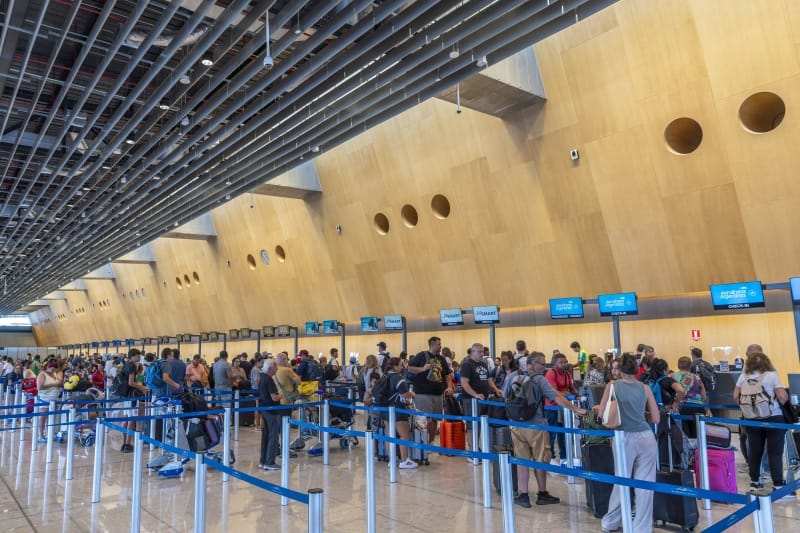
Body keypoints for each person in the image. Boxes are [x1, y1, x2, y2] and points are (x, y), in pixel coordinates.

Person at [505, 353, 586, 507]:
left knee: (521, 461)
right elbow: (556, 397)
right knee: (540, 460)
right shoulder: (539, 379)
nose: (544, 367)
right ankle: (542, 493)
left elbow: (504, 396)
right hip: (536, 426)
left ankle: (523, 495)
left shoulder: (514, 375)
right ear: (533, 363)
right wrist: (574, 408)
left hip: (516, 425)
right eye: (542, 364)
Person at [597, 353, 660, 532]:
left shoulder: (612, 386)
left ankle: (611, 521)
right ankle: (642, 528)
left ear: (621, 370)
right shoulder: (645, 388)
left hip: (624, 437)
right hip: (647, 437)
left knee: (622, 481)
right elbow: (655, 418)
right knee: (646, 485)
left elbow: (601, 416)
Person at [733, 351, 790, 494]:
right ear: (766, 362)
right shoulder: (771, 375)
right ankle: (778, 485)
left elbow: (735, 396)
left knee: (754, 451)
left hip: (751, 420)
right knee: (775, 453)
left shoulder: (742, 377)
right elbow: (782, 397)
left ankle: (755, 483)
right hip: (773, 418)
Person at [461, 343, 504, 464]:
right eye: (479, 352)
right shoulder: (467, 365)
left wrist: (496, 390)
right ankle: (472, 452)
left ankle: (476, 448)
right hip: (471, 400)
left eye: (482, 352)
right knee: (471, 426)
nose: (482, 354)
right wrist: (475, 394)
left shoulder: (484, 364)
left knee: (479, 425)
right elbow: (464, 382)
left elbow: (488, 380)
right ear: (472, 352)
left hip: (483, 399)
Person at [408, 336, 454, 445]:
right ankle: (422, 441)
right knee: (423, 419)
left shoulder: (441, 359)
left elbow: (447, 375)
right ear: (432, 344)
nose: (440, 346)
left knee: (434, 419)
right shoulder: (421, 355)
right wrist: (422, 369)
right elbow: (410, 368)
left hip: (437, 394)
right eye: (438, 344)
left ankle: (431, 442)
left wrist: (449, 386)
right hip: (423, 393)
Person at [380, 357, 418, 469]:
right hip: (397, 410)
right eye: (401, 365)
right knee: (403, 435)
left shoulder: (384, 376)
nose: (402, 367)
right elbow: (405, 394)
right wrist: (412, 394)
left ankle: (392, 460)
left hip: (385, 410)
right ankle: (404, 460)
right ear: (395, 366)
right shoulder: (398, 378)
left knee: (389, 435)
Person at [544, 352, 578, 466]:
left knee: (563, 432)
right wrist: (567, 394)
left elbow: (572, 389)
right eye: (561, 362)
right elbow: (554, 392)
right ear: (554, 364)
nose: (564, 364)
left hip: (564, 407)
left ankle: (564, 456)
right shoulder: (551, 374)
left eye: (565, 362)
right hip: (552, 406)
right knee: (552, 432)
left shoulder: (567, 374)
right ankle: (550, 456)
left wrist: (578, 395)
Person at [257, 359, 290, 471]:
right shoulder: (269, 380)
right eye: (275, 368)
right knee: (273, 436)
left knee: (265, 436)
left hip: (264, 410)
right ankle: (270, 462)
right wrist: (280, 395)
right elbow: (274, 397)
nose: (277, 370)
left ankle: (263, 461)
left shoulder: (262, 378)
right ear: (271, 368)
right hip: (271, 411)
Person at [118, 349, 150, 453]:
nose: (139, 358)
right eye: (137, 356)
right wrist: (142, 388)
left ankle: (124, 443)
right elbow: (131, 382)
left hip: (126, 395)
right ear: (133, 356)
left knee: (126, 418)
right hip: (132, 395)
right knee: (132, 419)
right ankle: (128, 443)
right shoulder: (132, 366)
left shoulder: (127, 364)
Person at [35, 358, 63, 443]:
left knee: (50, 417)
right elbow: (40, 387)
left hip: (54, 400)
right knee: (42, 417)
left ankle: (49, 433)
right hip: (45, 399)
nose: (53, 369)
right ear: (48, 366)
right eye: (52, 367)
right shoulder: (42, 374)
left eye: (55, 367)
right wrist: (53, 384)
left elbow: (60, 384)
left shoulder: (55, 373)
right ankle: (40, 435)